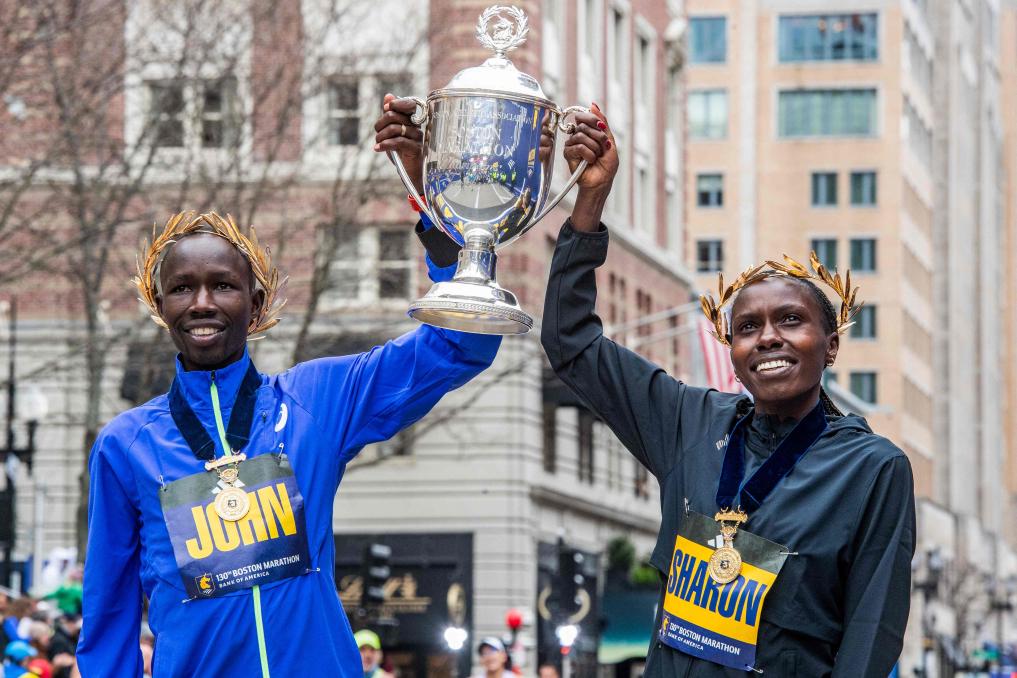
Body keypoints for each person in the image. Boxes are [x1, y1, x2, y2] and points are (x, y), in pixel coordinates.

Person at [537, 106, 916, 675]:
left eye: (791, 320)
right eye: (747, 327)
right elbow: (571, 343)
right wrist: (590, 201)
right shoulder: (688, 421)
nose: (768, 338)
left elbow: (870, 637)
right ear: (733, 353)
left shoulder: (874, 469)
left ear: (831, 345)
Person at [76, 209, 501, 676]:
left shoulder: (315, 400)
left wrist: (439, 222)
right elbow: (109, 617)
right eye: (181, 288)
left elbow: (462, 345)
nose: (201, 303)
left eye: (223, 285)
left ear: (256, 304)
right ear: (160, 306)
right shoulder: (125, 446)